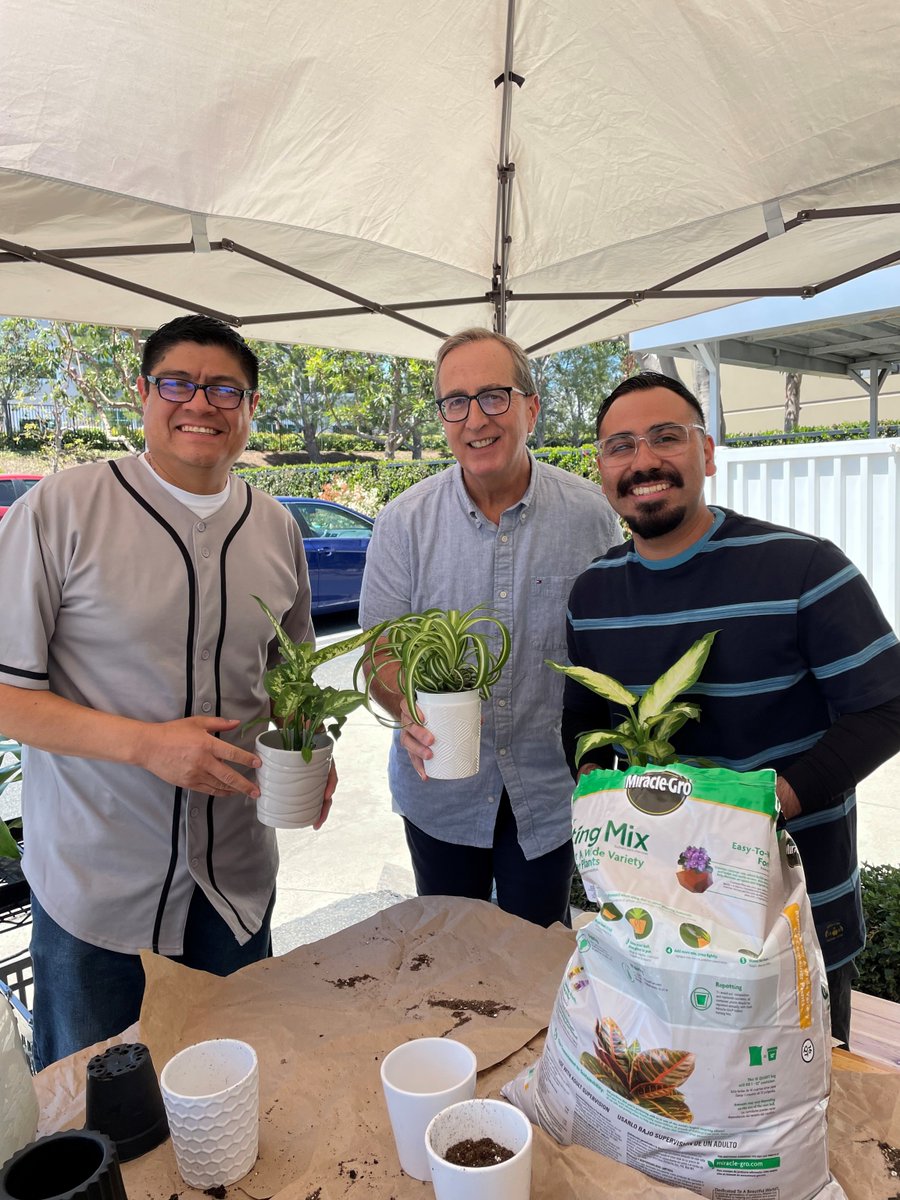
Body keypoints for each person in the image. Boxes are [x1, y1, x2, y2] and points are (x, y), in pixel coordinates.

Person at [0, 314, 332, 1068]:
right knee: (98, 1125)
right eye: (178, 383)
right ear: (142, 393)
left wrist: (311, 747)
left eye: (225, 389)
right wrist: (147, 745)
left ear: (250, 408)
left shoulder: (276, 526)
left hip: (235, 885)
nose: (200, 404)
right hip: (99, 890)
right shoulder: (59, 510)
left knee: (241, 1096)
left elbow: (290, 678)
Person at [561, 370, 900, 1045]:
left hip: (788, 914)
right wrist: (619, 810)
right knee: (669, 1104)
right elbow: (584, 731)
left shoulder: (803, 568)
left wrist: (770, 801)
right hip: (657, 918)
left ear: (707, 453)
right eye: (620, 446)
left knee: (797, 1128)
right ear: (601, 469)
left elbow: (886, 708)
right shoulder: (593, 593)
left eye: (667, 438)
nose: (644, 461)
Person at [359, 328, 622, 927]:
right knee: (448, 952)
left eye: (494, 396)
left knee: (536, 958)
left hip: (548, 789)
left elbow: (609, 644)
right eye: (456, 402)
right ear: (443, 419)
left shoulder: (590, 516)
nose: (475, 417)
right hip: (441, 790)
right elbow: (381, 648)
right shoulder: (403, 523)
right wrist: (407, 709)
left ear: (531, 407)